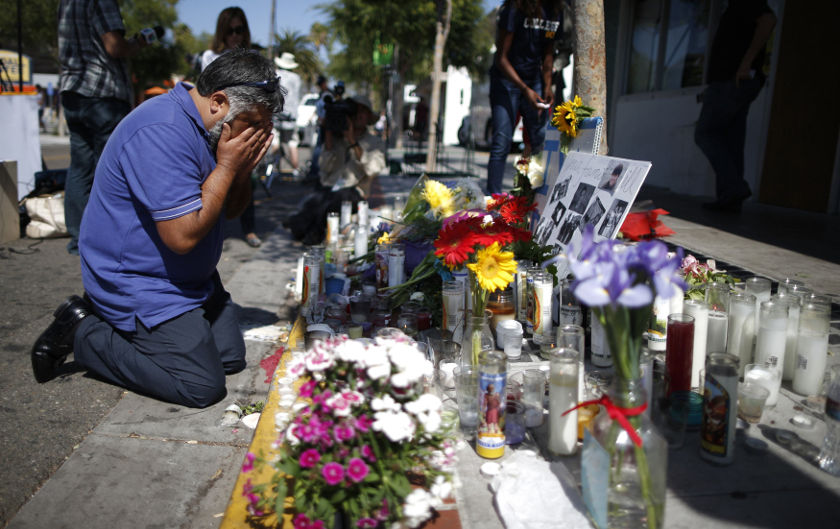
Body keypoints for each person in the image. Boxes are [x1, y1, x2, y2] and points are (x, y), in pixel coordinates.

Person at [30, 49, 282, 409]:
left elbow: (231, 212)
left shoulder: (214, 129)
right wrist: (226, 168)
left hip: (191, 280)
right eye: (253, 124)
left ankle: (137, 327)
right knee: (201, 385)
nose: (257, 135)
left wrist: (240, 171)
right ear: (219, 102)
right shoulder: (161, 130)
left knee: (229, 358)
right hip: (140, 279)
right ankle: (84, 331)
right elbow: (181, 237)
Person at [58, 0, 150, 255]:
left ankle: (78, 239)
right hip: (102, 92)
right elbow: (114, 46)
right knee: (109, 169)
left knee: (79, 166)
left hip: (72, 89)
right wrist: (138, 43)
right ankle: (104, 241)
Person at [695, 0, 776, 212]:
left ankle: (734, 187)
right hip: (731, 82)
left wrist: (746, 63)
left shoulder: (743, 2)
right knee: (731, 140)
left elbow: (768, 20)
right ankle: (730, 199)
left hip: (734, 81)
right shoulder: (733, 8)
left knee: (705, 134)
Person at [285, 95, 386, 245]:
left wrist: (352, 141)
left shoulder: (375, 142)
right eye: (355, 111)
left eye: (363, 111)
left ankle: (316, 230)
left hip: (354, 191)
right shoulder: (338, 137)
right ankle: (303, 222)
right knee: (301, 222)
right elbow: (324, 168)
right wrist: (328, 132)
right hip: (329, 189)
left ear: (369, 116)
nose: (358, 115)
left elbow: (373, 169)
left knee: (340, 198)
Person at [486, 0, 562, 195]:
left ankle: (532, 199)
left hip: (534, 80)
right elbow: (500, 59)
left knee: (540, 142)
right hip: (506, 80)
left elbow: (548, 53)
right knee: (502, 142)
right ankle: (493, 202)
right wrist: (524, 89)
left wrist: (547, 85)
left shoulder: (554, 10)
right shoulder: (514, 9)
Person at [201, 6, 262, 247]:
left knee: (246, 177)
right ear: (222, 32)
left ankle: (249, 230)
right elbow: (206, 93)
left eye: (239, 29)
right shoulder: (209, 57)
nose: (235, 35)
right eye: (230, 30)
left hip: (245, 126)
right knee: (214, 178)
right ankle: (215, 233)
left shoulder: (253, 56)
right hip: (218, 127)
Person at [272, 52, 303, 177]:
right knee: (292, 143)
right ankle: (296, 169)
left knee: (276, 141)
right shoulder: (297, 78)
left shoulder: (276, 75)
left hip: (278, 113)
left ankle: (275, 170)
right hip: (292, 115)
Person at [307, 74, 332, 181]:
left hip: (328, 127)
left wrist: (325, 120)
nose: (320, 86)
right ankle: (315, 170)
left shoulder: (329, 94)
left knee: (328, 148)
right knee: (319, 148)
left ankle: (326, 171)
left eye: (321, 84)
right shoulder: (321, 94)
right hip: (322, 126)